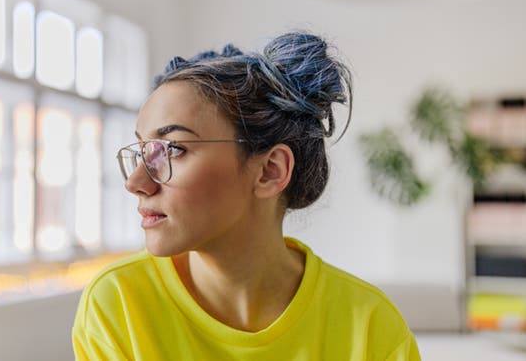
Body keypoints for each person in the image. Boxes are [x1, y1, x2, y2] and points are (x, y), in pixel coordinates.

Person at [72, 31, 421, 360]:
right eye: (143, 149)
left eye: (173, 148)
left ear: (270, 170)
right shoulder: (120, 304)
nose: (136, 181)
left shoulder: (371, 327)